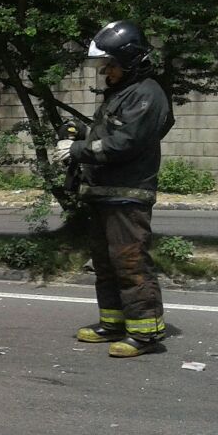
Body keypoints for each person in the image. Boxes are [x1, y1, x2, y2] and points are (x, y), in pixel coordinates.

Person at [53, 20, 173, 357]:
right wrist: (81, 133)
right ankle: (113, 323)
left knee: (129, 262)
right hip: (105, 192)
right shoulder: (123, 93)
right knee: (105, 262)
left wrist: (76, 150)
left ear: (131, 60)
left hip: (128, 193)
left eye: (112, 64)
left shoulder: (148, 93)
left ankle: (145, 333)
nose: (106, 70)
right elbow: (108, 136)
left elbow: (125, 143)